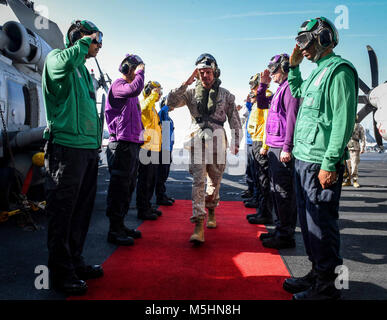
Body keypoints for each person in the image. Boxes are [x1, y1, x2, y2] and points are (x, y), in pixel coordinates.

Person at [284, 17, 358, 300]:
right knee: (308, 223)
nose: (301, 48)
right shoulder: (316, 72)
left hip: (319, 163)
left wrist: (330, 163)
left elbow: (342, 121)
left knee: (322, 224)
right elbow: (298, 91)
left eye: (305, 41)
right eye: (299, 42)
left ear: (324, 38)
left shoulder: (339, 71)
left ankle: (328, 286)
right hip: (303, 160)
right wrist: (293, 67)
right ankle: (317, 272)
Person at [42, 20, 104, 295]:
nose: (99, 44)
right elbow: (61, 65)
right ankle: (60, 273)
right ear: (79, 37)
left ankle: (75, 261)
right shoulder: (58, 58)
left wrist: (94, 145)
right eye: (96, 38)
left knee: (81, 212)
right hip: (65, 150)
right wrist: (81, 42)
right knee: (62, 213)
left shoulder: (83, 70)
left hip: (87, 151)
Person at [167, 53, 241, 244]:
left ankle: (212, 209)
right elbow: (170, 103)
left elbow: (234, 119)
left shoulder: (226, 95)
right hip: (197, 140)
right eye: (201, 72)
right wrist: (186, 82)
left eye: (208, 72)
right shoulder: (190, 93)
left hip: (217, 141)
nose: (205, 76)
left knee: (214, 181)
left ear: (214, 72)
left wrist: (236, 140)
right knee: (198, 182)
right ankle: (198, 224)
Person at [256, 54, 300, 249]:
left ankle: (285, 236)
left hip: (281, 147)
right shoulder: (279, 90)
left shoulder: (290, 88)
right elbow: (261, 104)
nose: (271, 74)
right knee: (276, 191)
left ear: (284, 68)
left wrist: (287, 147)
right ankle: (280, 229)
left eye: (274, 70)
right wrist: (263, 86)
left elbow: (292, 119)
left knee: (284, 193)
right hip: (274, 146)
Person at [104, 54, 145, 246]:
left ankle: (121, 225)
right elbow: (135, 88)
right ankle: (114, 230)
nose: (138, 72)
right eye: (135, 69)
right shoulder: (119, 86)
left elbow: (136, 119)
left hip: (131, 145)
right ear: (128, 69)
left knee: (128, 187)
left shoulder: (130, 93)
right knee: (119, 188)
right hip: (120, 146)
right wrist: (141, 72)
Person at [246, 74, 274, 225]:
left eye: (253, 83)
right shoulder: (259, 97)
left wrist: (265, 145)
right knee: (259, 178)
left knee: (264, 180)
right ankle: (261, 210)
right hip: (256, 139)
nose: (251, 86)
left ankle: (266, 213)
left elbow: (269, 122)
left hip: (260, 141)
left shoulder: (266, 96)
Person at [136, 81, 164, 220]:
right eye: (157, 91)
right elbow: (143, 107)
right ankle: (142, 209)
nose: (159, 94)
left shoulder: (153, 107)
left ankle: (147, 205)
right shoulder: (144, 103)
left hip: (154, 149)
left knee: (151, 180)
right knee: (145, 180)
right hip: (146, 148)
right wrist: (152, 95)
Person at [243, 75, 260, 208]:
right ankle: (252, 192)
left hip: (256, 141)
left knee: (257, 171)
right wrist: (249, 102)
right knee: (250, 169)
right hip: (250, 141)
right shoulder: (253, 107)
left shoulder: (262, 101)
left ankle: (256, 195)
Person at [155, 96, 176, 206]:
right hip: (163, 149)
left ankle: (162, 194)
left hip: (168, 149)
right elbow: (164, 109)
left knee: (165, 173)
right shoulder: (162, 114)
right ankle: (160, 197)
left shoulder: (169, 118)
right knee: (161, 174)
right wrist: (168, 103)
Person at [343, 118, 366, 188]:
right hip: (346, 147)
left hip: (355, 147)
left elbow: (362, 138)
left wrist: (363, 147)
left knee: (354, 165)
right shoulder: (345, 125)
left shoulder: (359, 126)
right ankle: (348, 180)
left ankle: (355, 180)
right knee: (347, 166)